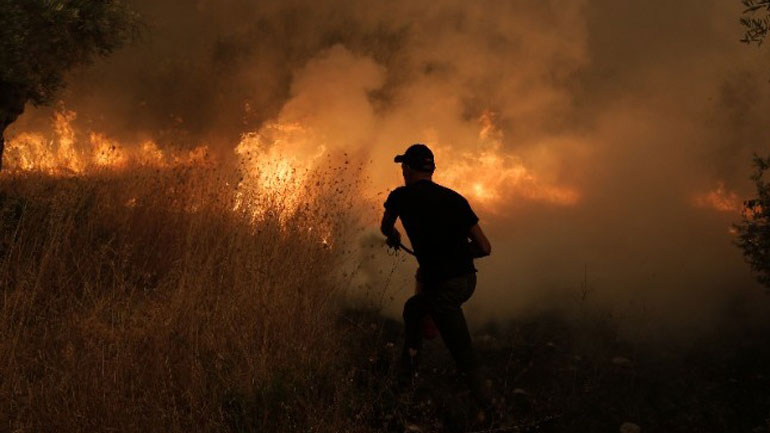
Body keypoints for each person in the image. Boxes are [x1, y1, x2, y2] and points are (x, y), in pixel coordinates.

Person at [380, 143, 492, 399]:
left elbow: (386, 227)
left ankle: (491, 410)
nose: (403, 172)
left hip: (446, 288)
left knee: (460, 350)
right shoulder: (455, 199)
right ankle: (409, 375)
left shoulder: (400, 196)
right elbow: (484, 247)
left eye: (403, 167)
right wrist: (457, 253)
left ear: (407, 168)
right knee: (420, 303)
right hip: (465, 280)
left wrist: (394, 234)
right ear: (432, 170)